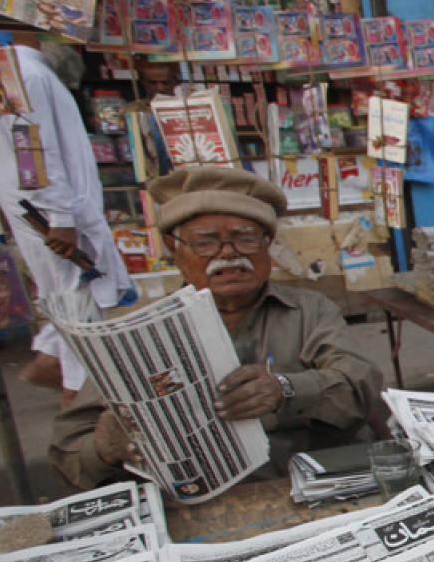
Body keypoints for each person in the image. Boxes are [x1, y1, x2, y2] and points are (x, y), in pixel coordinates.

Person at [50, 169, 383, 489]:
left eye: (245, 238)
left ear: (268, 244)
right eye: (205, 242)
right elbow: (67, 451)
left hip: (305, 484)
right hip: (198, 503)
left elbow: (360, 384)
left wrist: (285, 389)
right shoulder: (139, 335)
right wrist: (104, 448)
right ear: (173, 249)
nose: (228, 253)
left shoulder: (309, 310)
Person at [0, 44, 132, 399]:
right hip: (49, 214)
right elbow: (33, 152)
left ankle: (53, 367)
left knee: (68, 301)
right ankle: (78, 402)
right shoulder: (28, 75)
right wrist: (60, 218)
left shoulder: (15, 70)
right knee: (77, 306)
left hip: (45, 209)